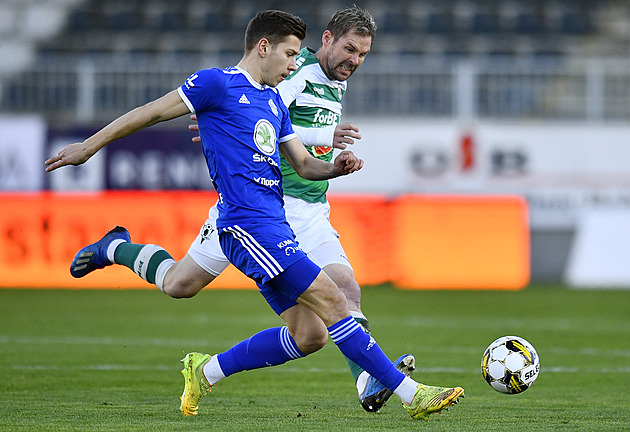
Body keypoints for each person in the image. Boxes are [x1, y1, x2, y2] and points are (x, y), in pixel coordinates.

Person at [45, 10, 464, 421]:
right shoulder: (216, 82)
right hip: (246, 223)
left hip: (276, 220)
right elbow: (153, 111)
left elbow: (301, 162)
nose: (294, 63)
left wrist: (335, 167)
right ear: (265, 47)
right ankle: (410, 393)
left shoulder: (274, 102)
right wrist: (89, 146)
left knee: (308, 332)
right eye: (289, 53)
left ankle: (200, 364)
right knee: (335, 298)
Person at [184, 6, 414, 413]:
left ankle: (366, 379)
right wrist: (227, 119)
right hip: (270, 207)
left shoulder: (334, 80)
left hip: (311, 205)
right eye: (349, 49)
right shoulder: (298, 71)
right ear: (327, 39)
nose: (354, 61)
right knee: (179, 284)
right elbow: (266, 113)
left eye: (362, 55)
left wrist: (334, 164)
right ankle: (117, 249)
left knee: (338, 299)